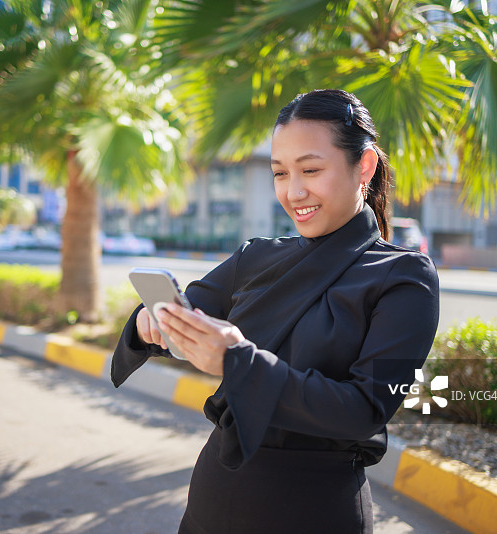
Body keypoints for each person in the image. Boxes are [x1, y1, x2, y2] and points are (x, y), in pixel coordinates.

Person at [111, 89, 440, 534]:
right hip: (213, 499)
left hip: (313, 509)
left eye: (310, 170)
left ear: (363, 165)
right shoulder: (255, 256)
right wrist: (151, 323)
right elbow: (189, 312)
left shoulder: (404, 277)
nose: (293, 191)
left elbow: (365, 409)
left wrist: (236, 360)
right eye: (280, 173)